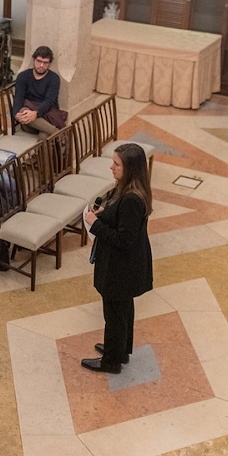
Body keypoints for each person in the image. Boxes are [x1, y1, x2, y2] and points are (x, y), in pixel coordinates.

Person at [81, 143, 153, 374]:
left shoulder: (132, 199)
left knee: (114, 314)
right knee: (121, 311)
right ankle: (119, 350)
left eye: (116, 164)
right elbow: (118, 214)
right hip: (123, 265)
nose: (111, 167)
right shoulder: (126, 188)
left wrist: (95, 224)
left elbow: (125, 240)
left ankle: (111, 361)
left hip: (122, 267)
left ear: (130, 168)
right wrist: (104, 212)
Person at [13, 45, 64, 135]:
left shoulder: (54, 78)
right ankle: (58, 133)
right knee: (23, 111)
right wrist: (16, 114)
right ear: (34, 60)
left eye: (45, 63)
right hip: (28, 121)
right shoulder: (23, 76)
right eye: (39, 61)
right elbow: (18, 98)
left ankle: (53, 133)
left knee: (44, 137)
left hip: (47, 115)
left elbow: (49, 101)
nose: (41, 65)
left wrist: (36, 113)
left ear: (50, 63)